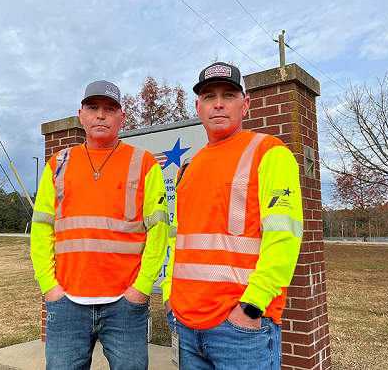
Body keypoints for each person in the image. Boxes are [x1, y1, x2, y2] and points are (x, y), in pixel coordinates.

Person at [160, 62, 303, 370]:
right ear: (198, 108)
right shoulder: (189, 167)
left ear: (246, 104)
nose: (219, 103)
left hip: (240, 330)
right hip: (186, 325)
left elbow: (284, 236)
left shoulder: (268, 152)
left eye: (229, 94)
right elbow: (180, 239)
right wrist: (170, 294)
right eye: (209, 96)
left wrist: (251, 307)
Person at [31, 80, 169, 370]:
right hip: (66, 302)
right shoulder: (58, 164)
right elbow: (42, 228)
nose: (101, 115)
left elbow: (158, 232)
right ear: (81, 114)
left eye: (109, 108)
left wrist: (142, 288)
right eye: (93, 108)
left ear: (122, 117)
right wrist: (48, 286)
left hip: (125, 305)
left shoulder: (143, 163)